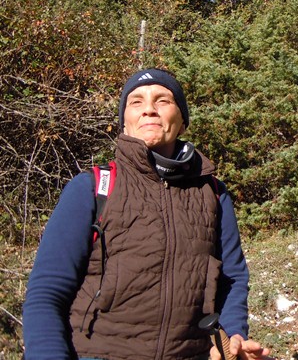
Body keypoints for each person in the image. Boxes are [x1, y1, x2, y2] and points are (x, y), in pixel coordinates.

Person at [23, 68, 272, 360]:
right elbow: (47, 292)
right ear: (124, 123)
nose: (149, 109)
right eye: (136, 102)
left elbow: (232, 279)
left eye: (163, 100)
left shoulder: (213, 193)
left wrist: (234, 337)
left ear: (182, 121)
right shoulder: (93, 188)